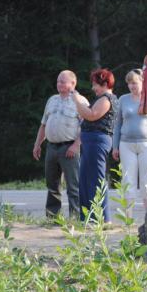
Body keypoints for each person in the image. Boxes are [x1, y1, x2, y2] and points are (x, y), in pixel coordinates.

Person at [112, 69, 147, 217]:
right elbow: (117, 124)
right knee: (128, 180)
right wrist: (115, 146)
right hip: (126, 144)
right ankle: (127, 216)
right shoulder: (123, 99)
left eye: (134, 82)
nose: (132, 86)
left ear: (142, 82)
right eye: (129, 83)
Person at [33, 70, 85, 218]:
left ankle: (75, 218)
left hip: (69, 148)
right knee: (52, 186)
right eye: (58, 81)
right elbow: (43, 125)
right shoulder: (52, 100)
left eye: (63, 81)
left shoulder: (80, 101)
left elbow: (86, 127)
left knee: (73, 187)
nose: (59, 84)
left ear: (73, 83)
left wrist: (76, 145)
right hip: (52, 147)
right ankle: (52, 218)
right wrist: (37, 144)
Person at [72, 68, 118, 222]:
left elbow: (92, 115)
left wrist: (77, 100)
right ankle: (88, 217)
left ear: (104, 83)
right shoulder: (102, 98)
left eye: (95, 84)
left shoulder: (106, 98)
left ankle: (103, 218)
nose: (93, 88)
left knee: (96, 179)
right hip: (91, 141)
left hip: (97, 141)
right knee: (85, 178)